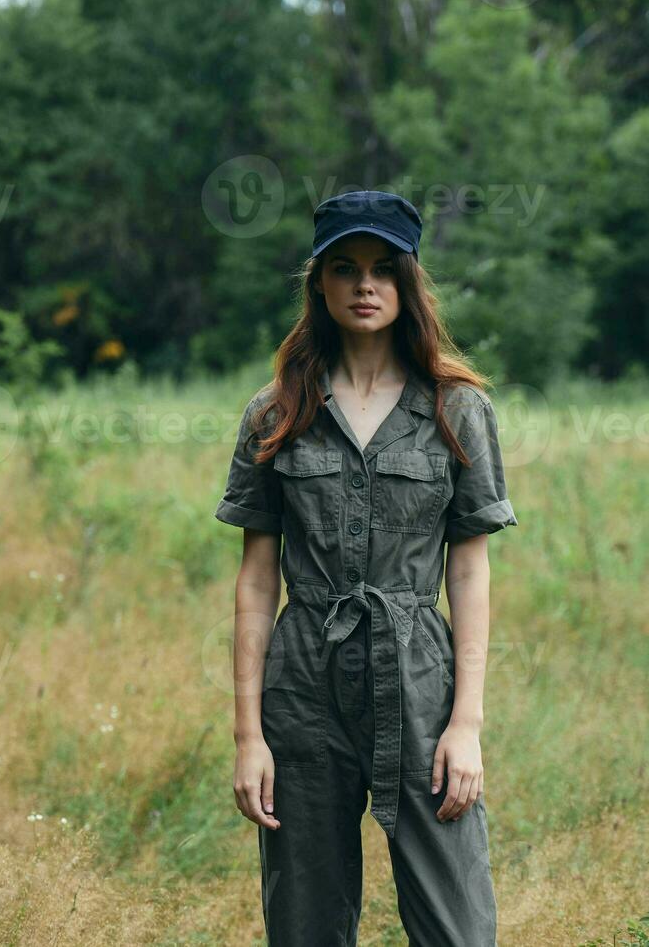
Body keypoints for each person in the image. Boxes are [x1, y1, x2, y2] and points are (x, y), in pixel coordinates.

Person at [213, 189, 518, 946]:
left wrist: (467, 725)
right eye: (345, 268)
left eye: (384, 268)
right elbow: (257, 580)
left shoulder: (456, 409)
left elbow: (470, 572)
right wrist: (249, 736)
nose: (365, 285)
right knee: (305, 922)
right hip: (303, 683)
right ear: (320, 281)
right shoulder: (276, 411)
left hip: (419, 678)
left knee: (458, 926)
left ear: (409, 281)